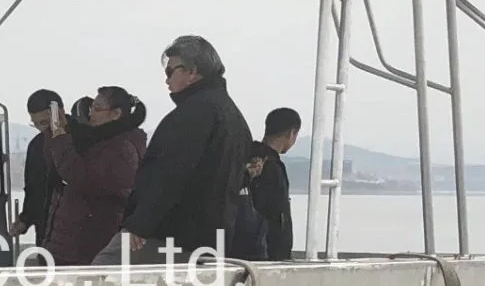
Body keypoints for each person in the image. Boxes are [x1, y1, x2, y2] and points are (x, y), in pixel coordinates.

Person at [123, 34, 250, 259]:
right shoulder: (234, 117)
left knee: (98, 276)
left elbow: (169, 173)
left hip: (172, 237)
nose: (166, 80)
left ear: (192, 72)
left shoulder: (192, 115)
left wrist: (141, 223)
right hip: (213, 240)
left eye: (170, 72)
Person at [42, 86, 148, 266]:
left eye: (97, 109)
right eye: (91, 108)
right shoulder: (100, 140)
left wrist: (60, 138)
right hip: (75, 239)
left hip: (89, 242)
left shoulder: (122, 149)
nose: (91, 114)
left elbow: (82, 177)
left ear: (115, 114)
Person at [247, 106, 300, 262]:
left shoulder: (249, 157)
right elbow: (275, 213)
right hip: (267, 255)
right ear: (292, 133)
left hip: (248, 249)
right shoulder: (272, 166)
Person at [18, 87, 65, 247]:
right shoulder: (36, 145)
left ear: (59, 113)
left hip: (75, 224)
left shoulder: (81, 140)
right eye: (36, 124)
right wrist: (25, 219)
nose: (41, 128)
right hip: (44, 225)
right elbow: (33, 187)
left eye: (44, 122)